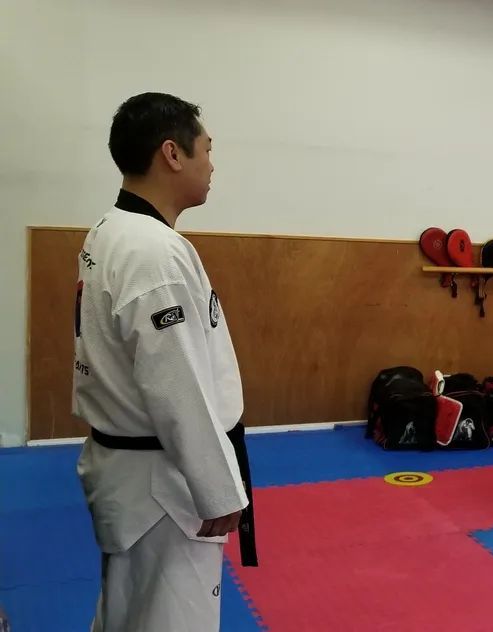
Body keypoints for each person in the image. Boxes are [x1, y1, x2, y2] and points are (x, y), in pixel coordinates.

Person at [74, 92, 255, 632]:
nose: (212, 164)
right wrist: (217, 488)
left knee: (131, 613)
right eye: (206, 149)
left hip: (133, 474)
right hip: (163, 489)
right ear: (172, 154)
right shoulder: (153, 251)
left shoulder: (112, 231)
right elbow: (175, 384)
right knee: (172, 618)